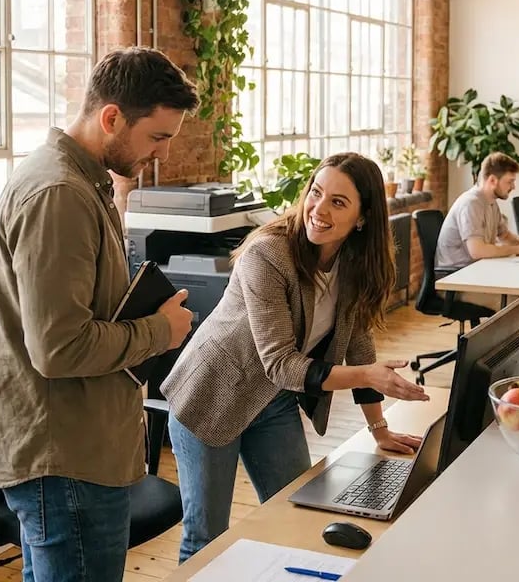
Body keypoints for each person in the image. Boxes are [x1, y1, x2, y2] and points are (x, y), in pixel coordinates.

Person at [0, 48, 198, 582]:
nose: (161, 153)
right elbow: (59, 348)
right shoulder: (59, 194)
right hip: (65, 457)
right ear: (112, 117)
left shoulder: (83, 181)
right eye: (157, 137)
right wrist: (158, 330)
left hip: (76, 446)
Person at [161, 152, 430, 562]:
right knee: (207, 540)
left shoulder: (352, 263)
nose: (318, 210)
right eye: (316, 193)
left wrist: (379, 427)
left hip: (273, 399)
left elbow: (358, 343)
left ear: (362, 218)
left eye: (338, 202)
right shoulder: (269, 254)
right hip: (212, 394)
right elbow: (281, 363)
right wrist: (366, 377)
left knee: (295, 516)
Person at [435, 152, 519, 271]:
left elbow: (504, 235)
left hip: (476, 269)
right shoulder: (471, 204)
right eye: (510, 181)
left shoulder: (491, 202)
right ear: (492, 180)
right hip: (458, 275)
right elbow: (477, 251)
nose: (513, 187)